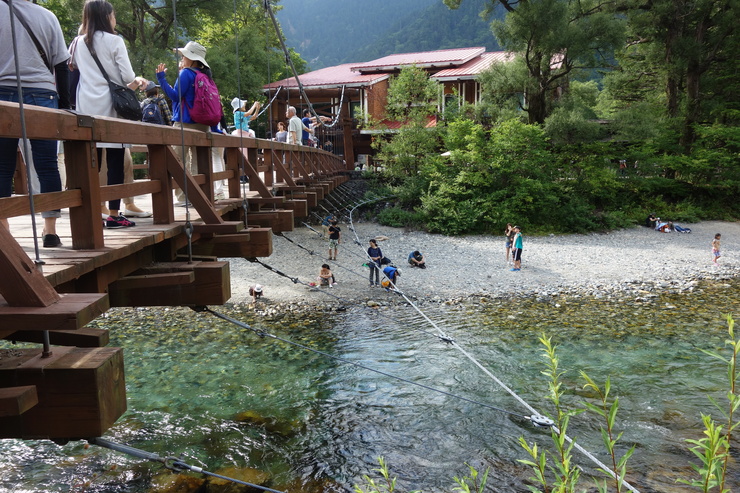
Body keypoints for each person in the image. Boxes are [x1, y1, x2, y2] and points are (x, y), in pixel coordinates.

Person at [72, 0, 148, 228]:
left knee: (90, 161)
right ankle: (114, 214)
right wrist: (140, 81)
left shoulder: (76, 43)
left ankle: (90, 211)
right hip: (113, 107)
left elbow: (72, 70)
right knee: (115, 160)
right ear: (107, 16)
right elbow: (127, 77)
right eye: (113, 15)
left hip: (85, 106)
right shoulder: (115, 41)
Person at [0, 0, 70, 246]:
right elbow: (62, 65)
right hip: (42, 94)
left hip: (2, 93)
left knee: (2, 166)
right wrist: (66, 106)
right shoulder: (47, 16)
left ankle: (4, 231)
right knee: (47, 164)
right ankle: (50, 231)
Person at [156, 40, 221, 206]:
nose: (182, 58)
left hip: (185, 124)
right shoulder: (206, 76)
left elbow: (173, 95)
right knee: (199, 163)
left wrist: (161, 78)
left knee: (177, 161)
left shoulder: (186, 73)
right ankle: (199, 195)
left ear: (191, 58)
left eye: (184, 55)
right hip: (203, 125)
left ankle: (184, 198)